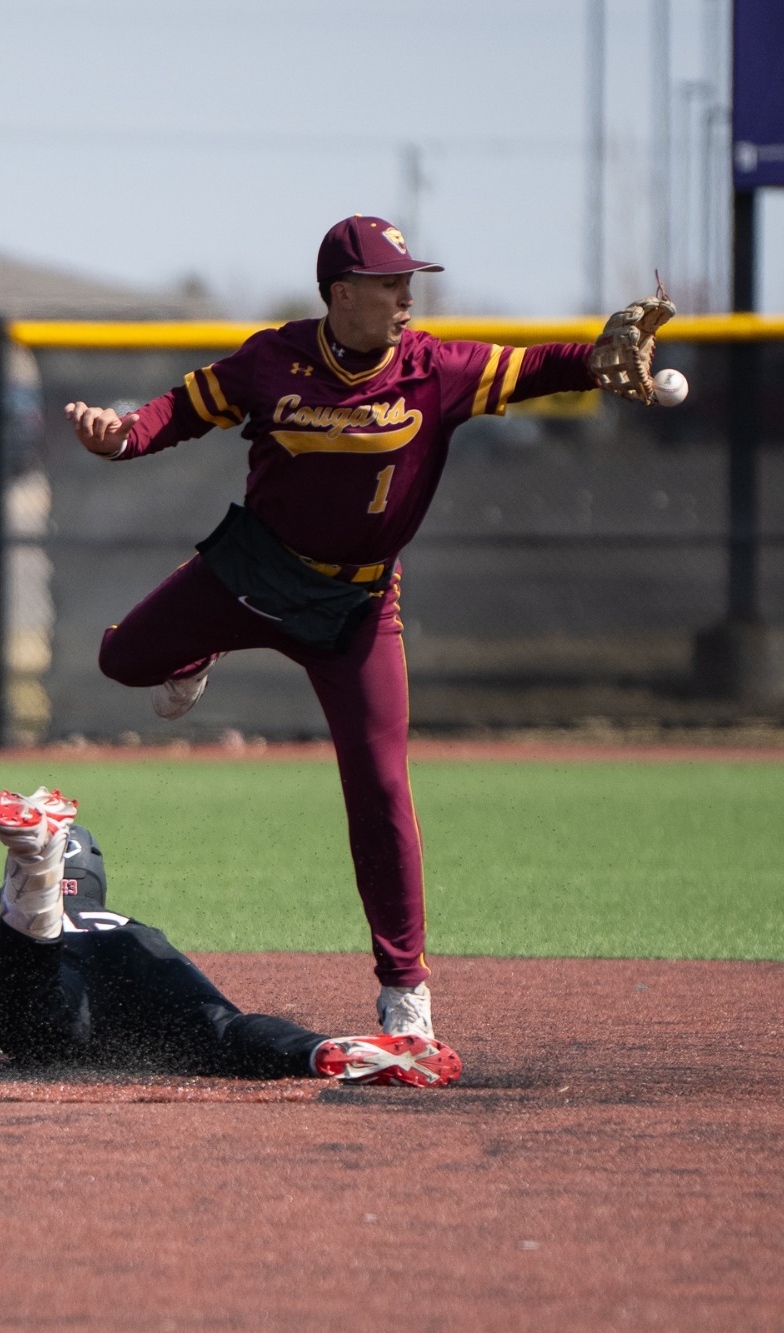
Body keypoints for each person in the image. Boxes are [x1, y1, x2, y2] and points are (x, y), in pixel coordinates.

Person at [64, 216, 666, 1042]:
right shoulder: (272, 358)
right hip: (253, 573)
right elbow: (183, 407)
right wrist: (120, 435)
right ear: (342, 294)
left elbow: (534, 367)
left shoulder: (434, 368)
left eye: (408, 282)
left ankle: (405, 990)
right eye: (389, 284)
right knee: (121, 658)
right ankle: (198, 650)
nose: (407, 297)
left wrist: (597, 361)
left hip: (355, 610)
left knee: (381, 789)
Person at [0, 788, 461, 1089]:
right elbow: (222, 1025)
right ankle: (321, 1051)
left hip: (42, 1015)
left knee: (29, 969)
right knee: (229, 1036)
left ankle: (33, 878)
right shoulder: (136, 930)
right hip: (130, 977)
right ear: (99, 881)